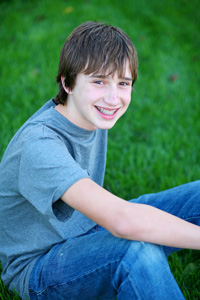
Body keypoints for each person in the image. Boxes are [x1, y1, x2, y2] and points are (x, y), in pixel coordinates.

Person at [0, 21, 199, 300]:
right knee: (134, 252)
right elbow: (122, 222)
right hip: (39, 268)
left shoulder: (89, 114)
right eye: (98, 81)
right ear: (67, 82)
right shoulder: (39, 146)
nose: (113, 98)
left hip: (88, 227)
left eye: (123, 83)